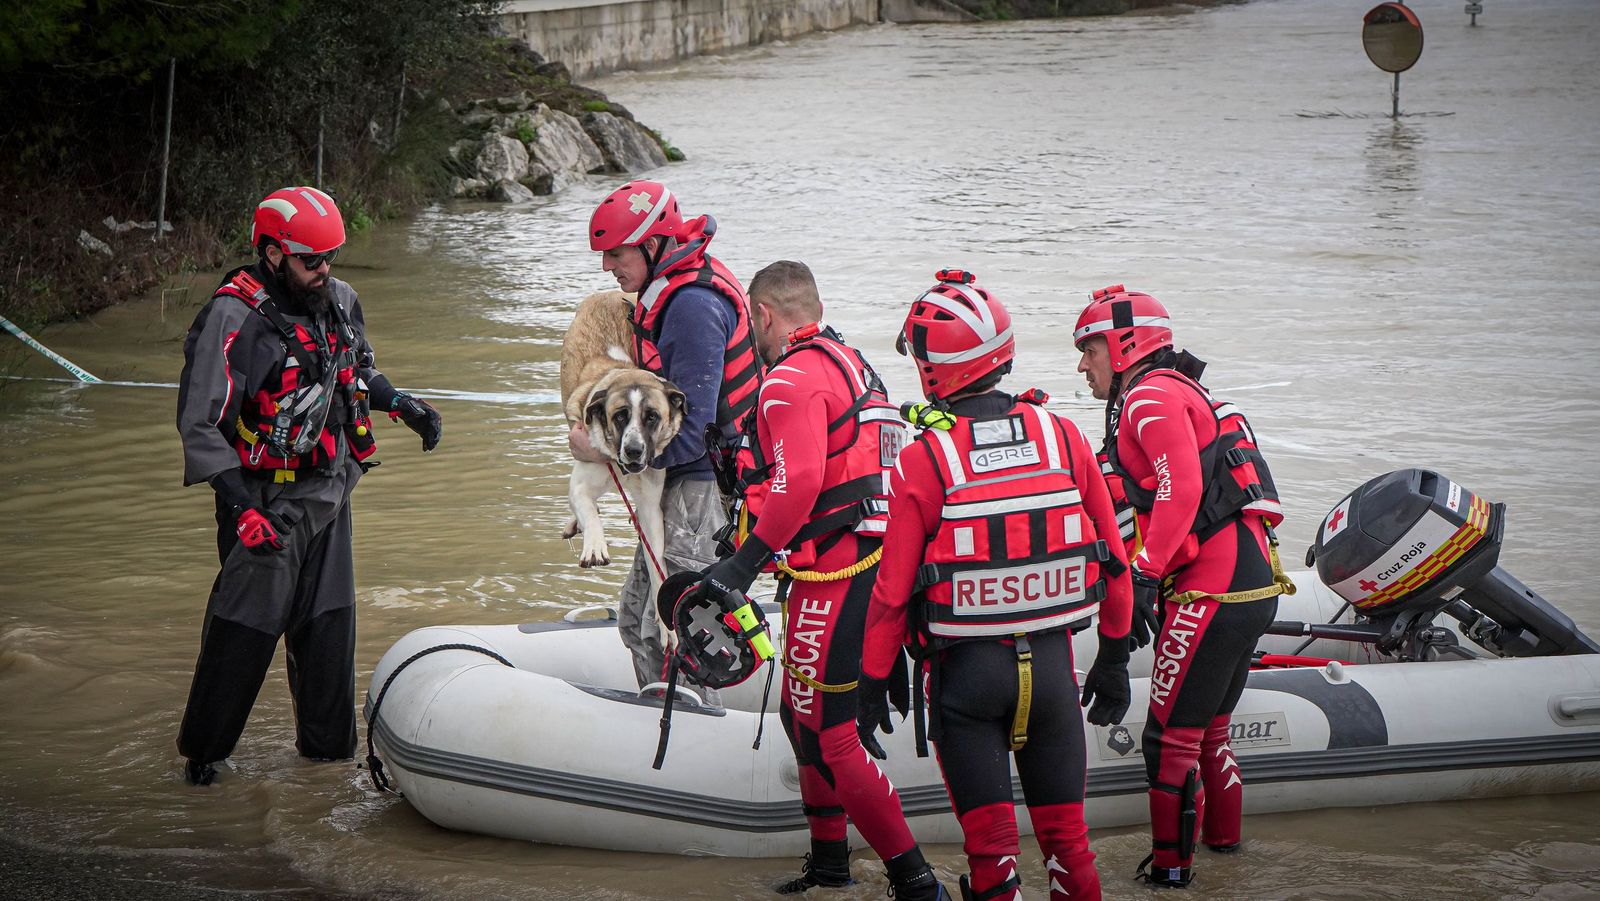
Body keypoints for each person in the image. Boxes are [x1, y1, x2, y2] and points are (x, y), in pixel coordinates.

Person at [859, 270, 1135, 901]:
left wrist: (873, 685)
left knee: (993, 857)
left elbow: (891, 595)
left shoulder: (925, 457)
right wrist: (1115, 659)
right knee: (1068, 845)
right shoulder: (1061, 435)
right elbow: (1114, 563)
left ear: (934, 370)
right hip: (1055, 679)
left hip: (967, 685)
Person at [695, 261, 948, 899]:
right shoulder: (853, 363)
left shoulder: (788, 380)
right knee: (798, 716)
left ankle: (915, 882)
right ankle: (831, 864)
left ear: (760, 315)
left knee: (831, 733)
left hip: (841, 571)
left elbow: (798, 483)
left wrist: (742, 564)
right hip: (865, 563)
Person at [175, 186, 442, 786]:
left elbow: (357, 368)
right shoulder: (233, 318)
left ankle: (325, 774)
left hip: (330, 493)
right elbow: (200, 423)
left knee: (328, 635)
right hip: (263, 503)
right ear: (272, 253)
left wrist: (399, 402)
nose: (324, 271)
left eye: (330, 258)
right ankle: (203, 766)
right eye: (310, 260)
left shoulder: (340, 298)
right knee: (241, 635)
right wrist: (242, 509)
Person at [1073, 285, 1293, 888]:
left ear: (1123, 346)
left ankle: (1170, 875)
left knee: (1167, 739)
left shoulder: (1148, 400)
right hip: (1250, 582)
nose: (1082, 364)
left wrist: (1144, 572)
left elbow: (1181, 491)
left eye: (1088, 348)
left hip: (1212, 591)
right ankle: (1224, 853)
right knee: (1209, 730)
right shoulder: (1177, 390)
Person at [577, 180, 762, 692]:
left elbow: (692, 430)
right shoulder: (674, 291)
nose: (608, 266)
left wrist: (597, 449)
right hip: (674, 485)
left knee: (677, 637)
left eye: (616, 253)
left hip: (700, 489)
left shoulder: (691, 308)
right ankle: (659, 722)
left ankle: (692, 732)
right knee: (637, 622)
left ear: (652, 243)